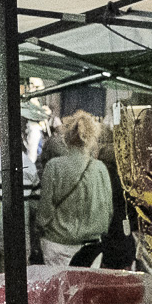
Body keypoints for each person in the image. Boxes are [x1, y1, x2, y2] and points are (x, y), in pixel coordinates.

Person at [32, 112, 118, 265]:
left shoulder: (54, 166)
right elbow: (108, 210)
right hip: (90, 247)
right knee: (87, 281)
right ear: (92, 139)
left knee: (59, 281)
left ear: (66, 137)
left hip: (57, 243)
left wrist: (40, 227)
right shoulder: (100, 169)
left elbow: (45, 209)